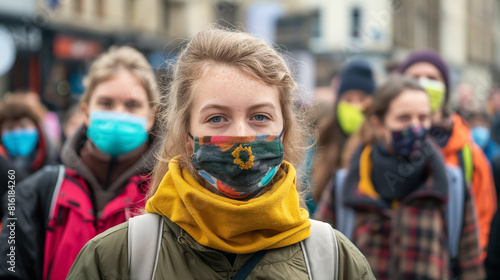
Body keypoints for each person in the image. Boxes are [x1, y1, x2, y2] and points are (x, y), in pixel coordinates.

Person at [67, 28, 374, 279]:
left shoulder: (335, 262)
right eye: (217, 118)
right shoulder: (117, 259)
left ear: (286, 130)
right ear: (186, 136)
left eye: (259, 117)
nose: (240, 133)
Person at [0, 46, 160, 280]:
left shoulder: (167, 194)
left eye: (132, 105)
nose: (119, 114)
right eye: (106, 103)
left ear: (151, 116)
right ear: (86, 112)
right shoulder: (35, 193)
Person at [315, 76, 484, 279]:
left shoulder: (452, 185)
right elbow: (319, 263)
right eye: (404, 118)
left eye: (423, 118)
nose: (415, 127)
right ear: (378, 124)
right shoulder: (346, 185)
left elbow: (471, 269)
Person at [398, 50, 496, 257]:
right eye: (414, 78)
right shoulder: (378, 148)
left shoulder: (469, 154)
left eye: (432, 78)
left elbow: (484, 219)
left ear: (445, 88)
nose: (423, 83)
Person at [311, 60, 375, 204]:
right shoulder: (320, 140)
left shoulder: (380, 145)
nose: (355, 105)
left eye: (362, 99)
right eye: (348, 99)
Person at [0, 97, 59, 182]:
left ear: (37, 128)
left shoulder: (55, 164)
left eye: (23, 126)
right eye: (10, 128)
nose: (17, 132)